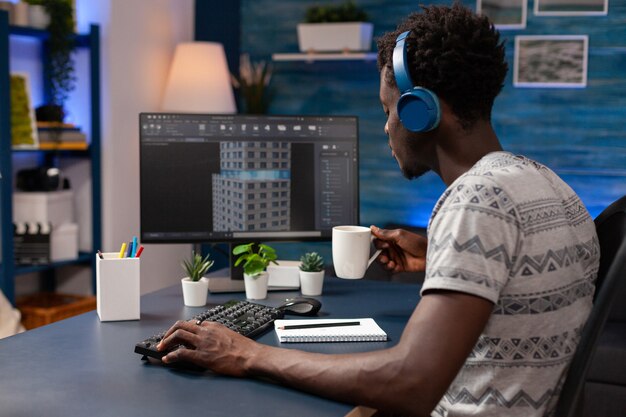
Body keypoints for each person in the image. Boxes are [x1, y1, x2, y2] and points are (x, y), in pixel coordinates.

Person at [157, 3, 599, 416]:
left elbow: (412, 381)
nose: (387, 126)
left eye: (388, 109)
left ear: (419, 111)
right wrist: (442, 257)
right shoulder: (546, 183)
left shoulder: (477, 199)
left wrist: (248, 354)